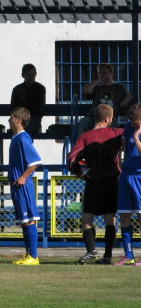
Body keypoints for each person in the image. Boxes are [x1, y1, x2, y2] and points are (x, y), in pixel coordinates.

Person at [67, 104, 123, 265]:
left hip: (94, 180)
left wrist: (78, 172)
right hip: (112, 180)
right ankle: (107, 255)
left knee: (86, 218)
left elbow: (72, 159)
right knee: (110, 219)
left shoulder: (85, 137)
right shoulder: (117, 133)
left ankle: (91, 251)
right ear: (107, 119)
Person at [8, 107, 42, 265]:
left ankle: (34, 256)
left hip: (23, 185)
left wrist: (23, 176)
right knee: (24, 220)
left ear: (18, 120)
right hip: (16, 185)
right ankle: (28, 254)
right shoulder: (15, 138)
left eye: (11, 118)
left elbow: (35, 162)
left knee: (29, 219)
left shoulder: (23, 138)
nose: (8, 121)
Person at [114, 103, 141, 266]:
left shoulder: (137, 132)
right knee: (124, 214)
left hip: (139, 177)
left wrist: (137, 138)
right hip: (126, 175)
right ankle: (128, 254)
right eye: (130, 121)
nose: (132, 124)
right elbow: (124, 144)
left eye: (135, 122)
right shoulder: (128, 126)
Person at [75, 63, 132, 139]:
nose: (102, 75)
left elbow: (129, 96)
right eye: (100, 73)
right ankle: (80, 149)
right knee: (81, 125)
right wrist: (100, 79)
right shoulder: (97, 88)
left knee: (112, 132)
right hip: (93, 117)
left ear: (111, 73)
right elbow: (86, 90)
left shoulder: (119, 87)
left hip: (110, 118)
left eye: (104, 73)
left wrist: (126, 98)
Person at [10, 63, 46, 137]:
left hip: (33, 120)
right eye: (28, 75)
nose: (31, 77)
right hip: (20, 120)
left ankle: (23, 146)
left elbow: (39, 109)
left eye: (32, 75)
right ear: (23, 75)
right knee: (19, 125)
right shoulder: (17, 89)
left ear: (35, 74)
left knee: (25, 126)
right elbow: (13, 108)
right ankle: (24, 146)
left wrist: (24, 111)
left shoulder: (40, 89)